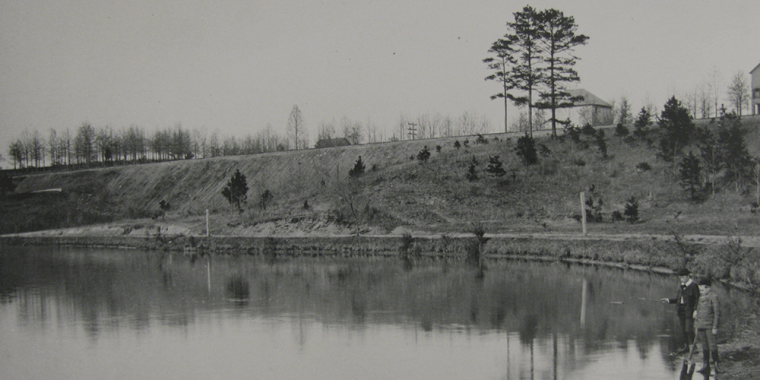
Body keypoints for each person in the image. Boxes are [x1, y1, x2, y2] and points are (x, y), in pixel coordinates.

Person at [660, 268, 699, 353]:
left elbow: (697, 299)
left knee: (689, 329)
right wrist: (669, 300)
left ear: (688, 276)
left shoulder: (693, 285)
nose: (682, 279)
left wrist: (696, 310)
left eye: (683, 277)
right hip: (681, 311)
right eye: (680, 277)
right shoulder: (681, 286)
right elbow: (679, 299)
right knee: (683, 330)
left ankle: (694, 347)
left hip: (690, 311)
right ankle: (686, 347)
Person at [694, 278, 721, 374]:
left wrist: (715, 327)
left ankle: (717, 366)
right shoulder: (701, 297)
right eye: (700, 290)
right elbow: (698, 309)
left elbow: (717, 313)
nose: (701, 292)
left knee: (713, 346)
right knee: (704, 347)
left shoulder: (713, 297)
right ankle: (706, 366)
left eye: (702, 290)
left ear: (708, 288)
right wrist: (696, 317)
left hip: (710, 327)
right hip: (701, 326)